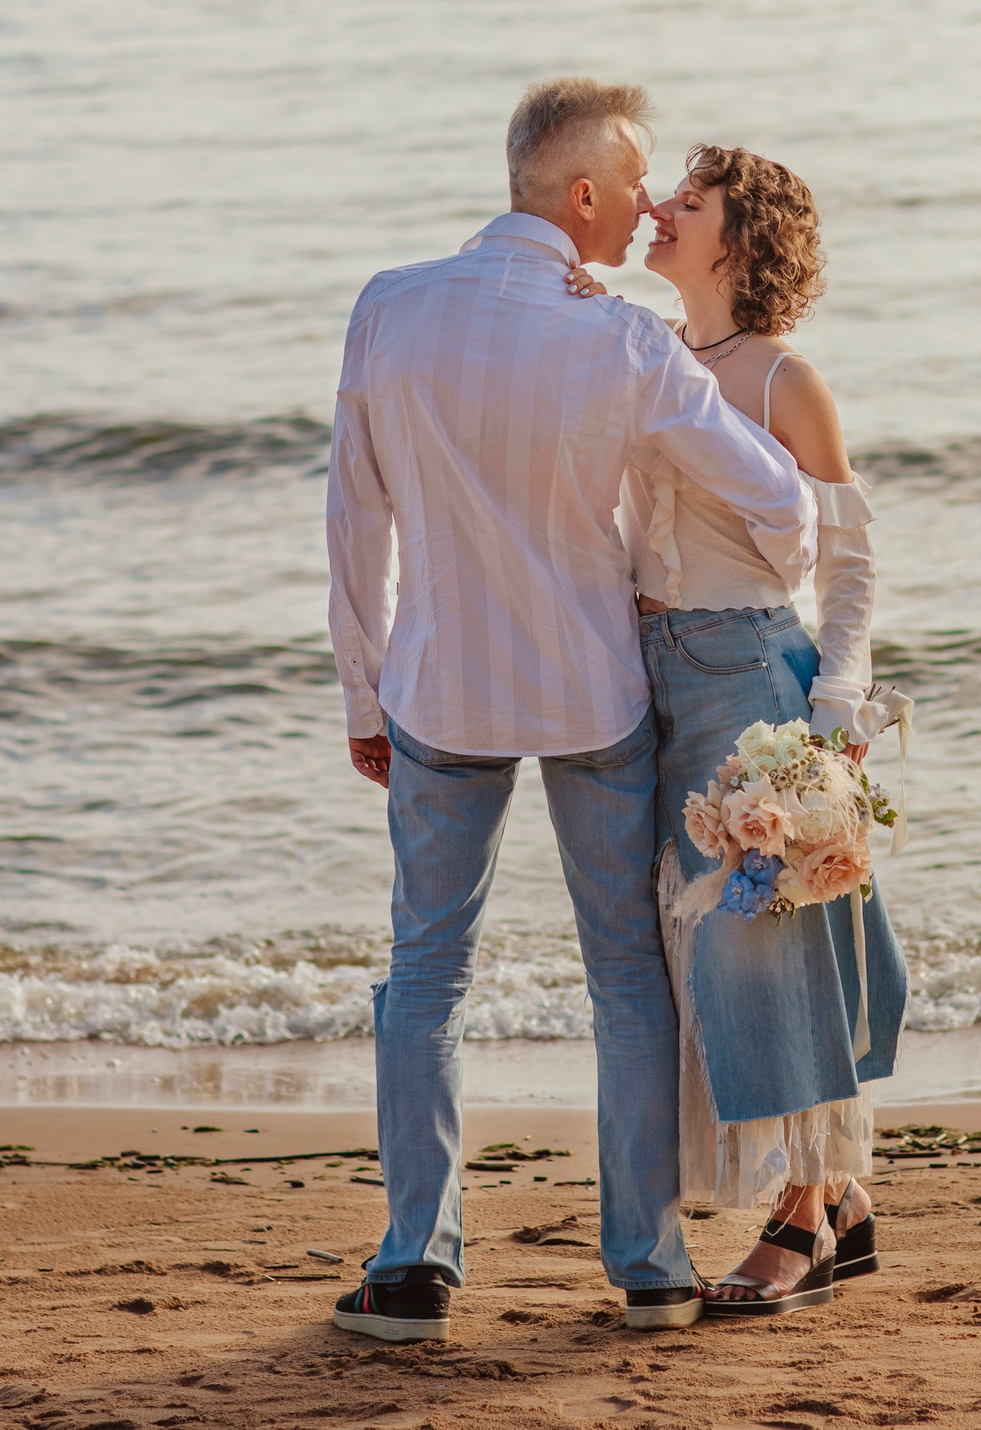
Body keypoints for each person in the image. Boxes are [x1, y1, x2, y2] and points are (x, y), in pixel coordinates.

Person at [324, 79, 820, 1342]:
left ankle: (413, 1265)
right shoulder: (627, 340)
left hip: (437, 688)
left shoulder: (389, 305)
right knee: (622, 979)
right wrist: (752, 602)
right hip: (595, 687)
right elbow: (783, 504)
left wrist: (361, 686)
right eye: (640, 178)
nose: (654, 199)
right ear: (584, 196)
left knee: (426, 972)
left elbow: (355, 520)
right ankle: (648, 1262)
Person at [567, 144, 908, 1317]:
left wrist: (831, 718)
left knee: (764, 948)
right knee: (697, 954)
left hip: (752, 674)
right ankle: (841, 1198)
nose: (657, 208)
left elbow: (850, 568)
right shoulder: (642, 352)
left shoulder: (782, 381)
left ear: (739, 240)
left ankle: (805, 1215)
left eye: (688, 201)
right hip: (650, 679)